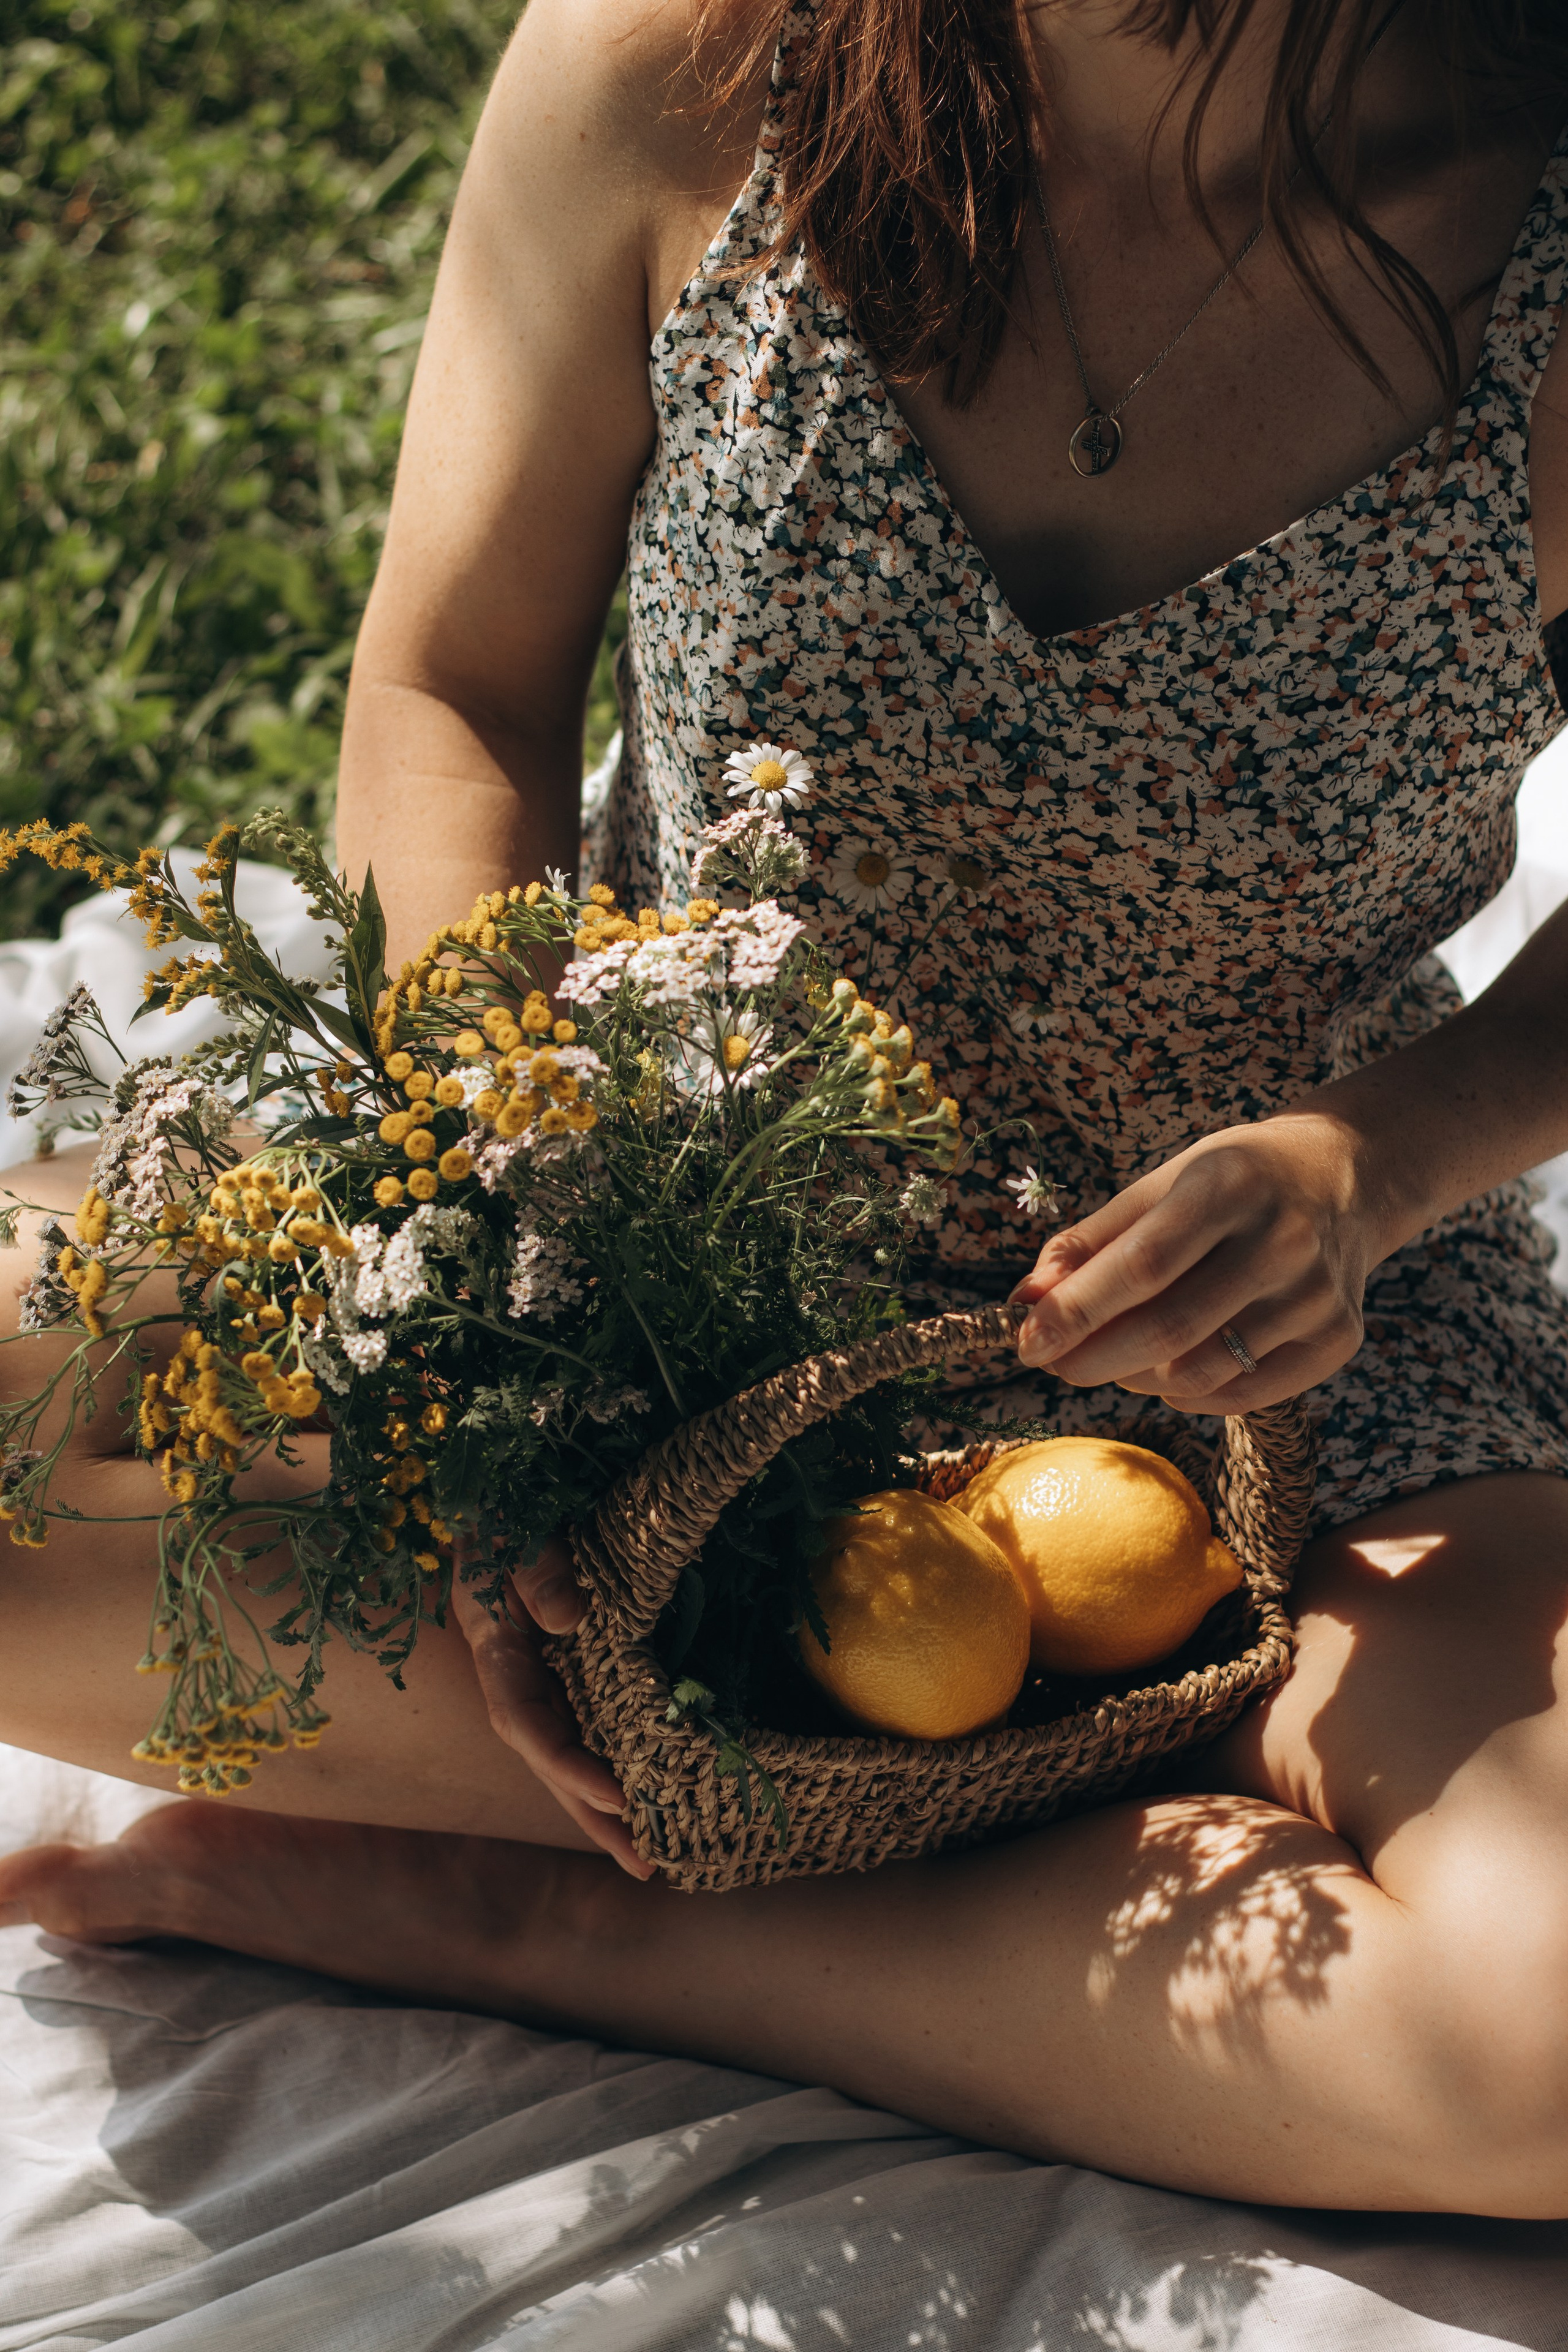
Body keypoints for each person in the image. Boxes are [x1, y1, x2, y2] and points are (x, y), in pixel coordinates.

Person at [4, 0, 1568, 2218]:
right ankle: (1020, 1806)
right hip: (638, 1243)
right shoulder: (689, 62)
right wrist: (496, 1288)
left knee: (1549, 2037)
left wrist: (1368, 1164)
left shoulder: (1541, 211)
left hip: (1285, 1360)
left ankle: (565, 1912)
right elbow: (456, 684)